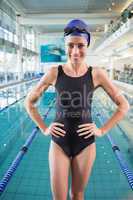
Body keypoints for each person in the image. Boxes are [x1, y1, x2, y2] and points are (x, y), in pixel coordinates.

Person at [25, 19, 129, 200]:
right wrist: (44, 128)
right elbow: (29, 103)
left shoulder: (97, 74)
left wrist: (102, 130)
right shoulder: (54, 73)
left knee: (77, 194)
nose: (75, 51)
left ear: (87, 44)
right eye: (70, 45)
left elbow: (124, 105)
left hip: (86, 144)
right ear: (65, 45)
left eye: (80, 45)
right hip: (59, 142)